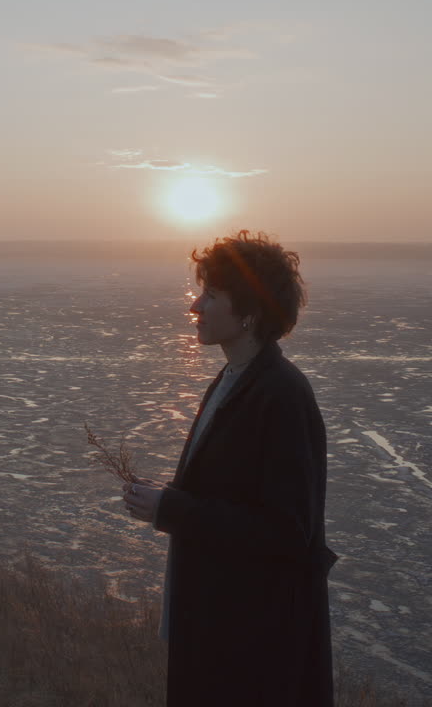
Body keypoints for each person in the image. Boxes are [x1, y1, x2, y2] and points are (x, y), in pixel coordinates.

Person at [123, 230, 336, 706]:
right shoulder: (234, 380)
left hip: (254, 648)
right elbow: (232, 495)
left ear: (250, 314)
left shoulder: (282, 396)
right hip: (223, 629)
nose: (195, 306)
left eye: (212, 296)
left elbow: (285, 533)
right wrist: (168, 500)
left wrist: (172, 508)